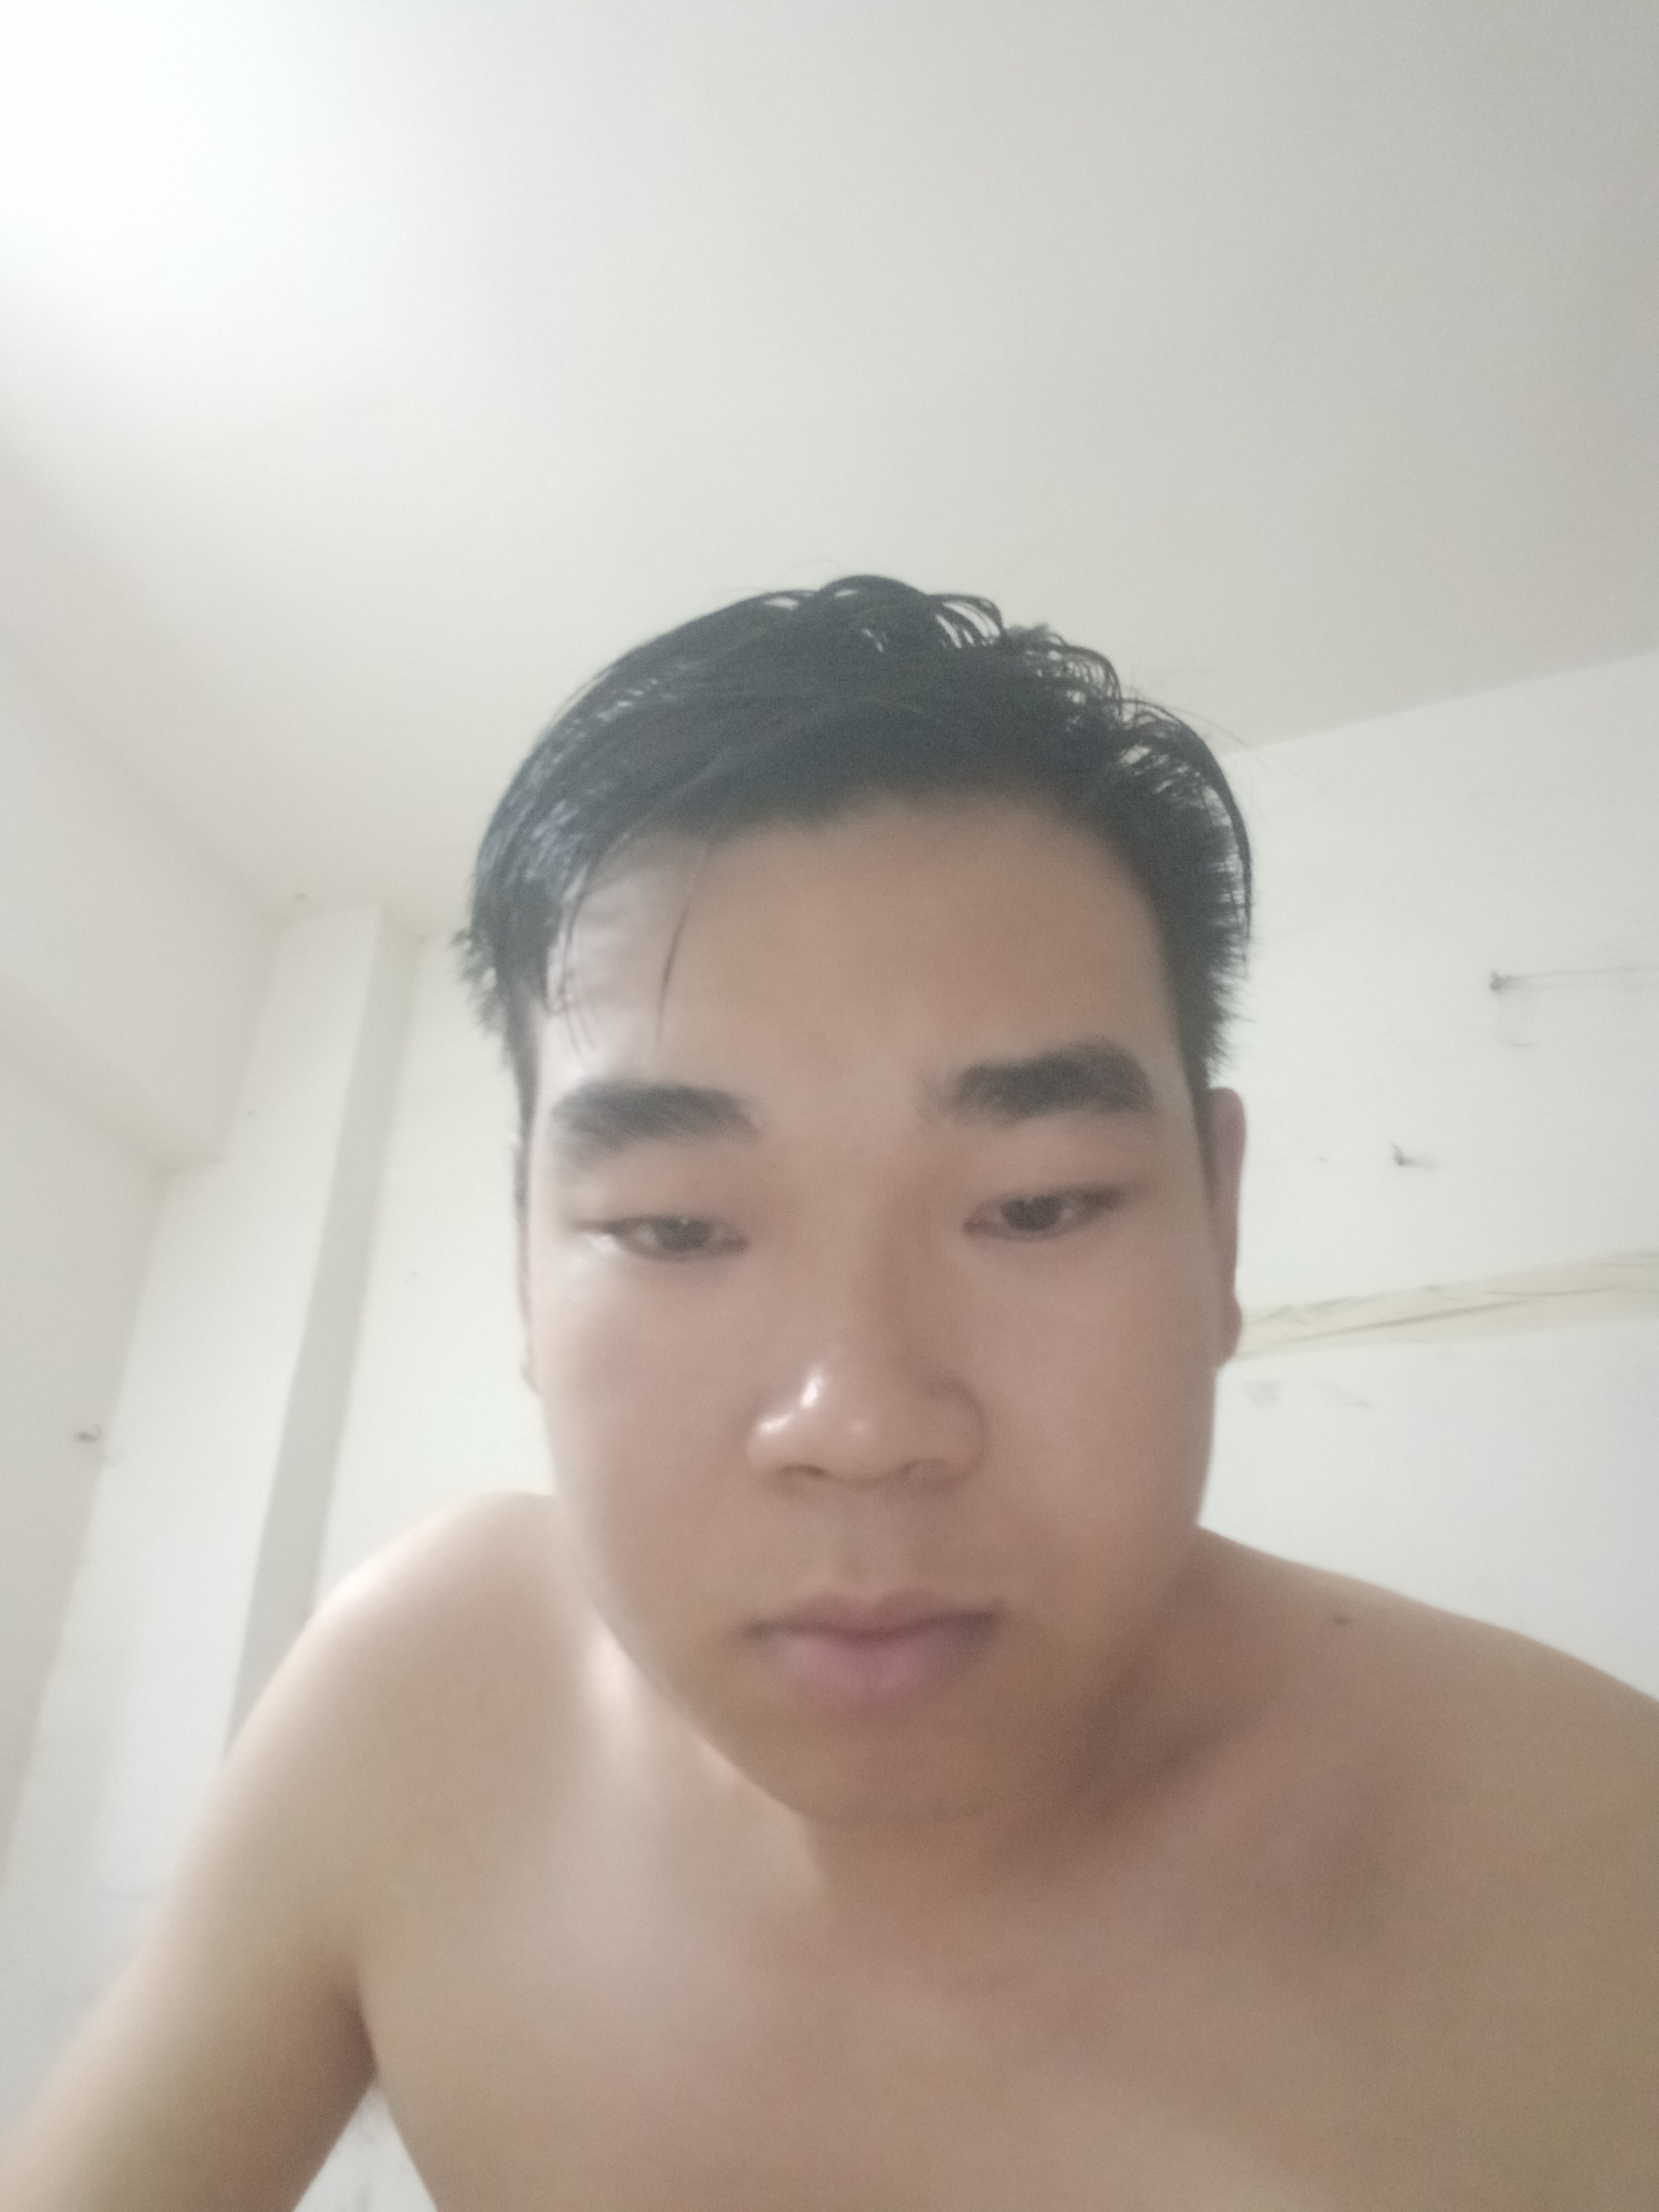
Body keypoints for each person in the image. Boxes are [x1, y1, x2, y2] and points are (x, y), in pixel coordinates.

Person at [2, 577, 1655, 2209]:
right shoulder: (414, 1707)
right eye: (674, 1227)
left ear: (1220, 1226)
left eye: (1036, 1206)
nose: (861, 1425)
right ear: (524, 1267)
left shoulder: (1593, 1878)